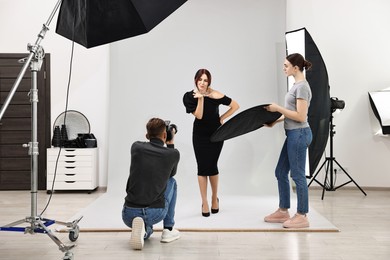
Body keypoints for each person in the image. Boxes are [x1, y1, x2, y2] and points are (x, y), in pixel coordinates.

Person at [263, 53, 313, 228]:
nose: (284, 68)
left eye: (286, 65)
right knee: (280, 172)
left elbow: (301, 116)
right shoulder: (296, 86)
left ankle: (302, 215)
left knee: (297, 175)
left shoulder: (302, 88)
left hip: (299, 134)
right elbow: (292, 113)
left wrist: (277, 108)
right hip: (293, 134)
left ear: (295, 67)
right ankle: (283, 210)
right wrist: (275, 121)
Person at [183, 69, 239, 217]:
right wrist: (200, 98)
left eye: (205, 80)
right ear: (195, 80)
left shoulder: (216, 94)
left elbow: (235, 106)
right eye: (200, 80)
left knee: (212, 166)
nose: (202, 83)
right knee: (202, 167)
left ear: (209, 82)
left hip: (216, 134)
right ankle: (205, 202)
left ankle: (214, 198)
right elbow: (199, 116)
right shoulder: (189, 96)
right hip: (199, 135)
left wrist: (222, 118)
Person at [122, 118, 180, 250]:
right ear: (165, 135)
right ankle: (168, 229)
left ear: (147, 135)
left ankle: (144, 231)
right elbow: (170, 174)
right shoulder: (172, 154)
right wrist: (170, 143)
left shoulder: (136, 147)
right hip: (154, 213)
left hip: (128, 214)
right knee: (172, 181)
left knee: (145, 228)